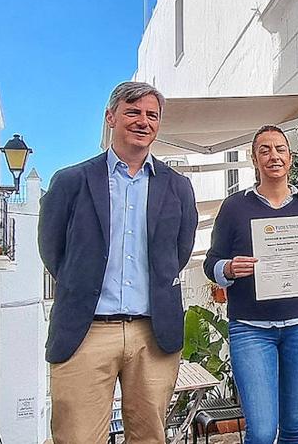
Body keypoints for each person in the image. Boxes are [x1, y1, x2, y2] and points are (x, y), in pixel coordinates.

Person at [38, 81, 198, 444]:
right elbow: (53, 250)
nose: (143, 121)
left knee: (150, 437)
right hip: (86, 331)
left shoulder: (177, 187)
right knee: (76, 438)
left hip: (152, 333)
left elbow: (180, 251)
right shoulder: (70, 182)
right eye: (133, 112)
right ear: (111, 117)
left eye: (151, 115)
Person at [204, 126, 298, 444]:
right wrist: (229, 268)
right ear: (254, 160)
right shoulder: (234, 208)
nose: (273, 155)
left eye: (280, 149)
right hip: (251, 330)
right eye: (265, 150)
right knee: (262, 432)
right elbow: (211, 263)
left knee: (293, 428)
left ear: (289, 158)